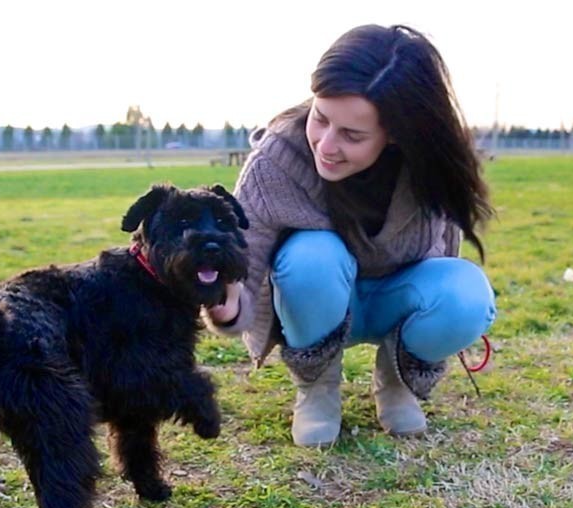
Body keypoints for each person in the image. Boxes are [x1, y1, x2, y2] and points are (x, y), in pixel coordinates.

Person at [202, 24, 497, 447]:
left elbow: (443, 258)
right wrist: (228, 305)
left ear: (395, 134)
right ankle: (317, 386)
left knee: (468, 291)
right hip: (312, 301)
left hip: (396, 300)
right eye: (320, 118)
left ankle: (395, 382)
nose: (326, 144)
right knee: (311, 255)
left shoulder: (430, 169)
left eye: (353, 135)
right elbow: (243, 254)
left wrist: (442, 324)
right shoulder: (278, 159)